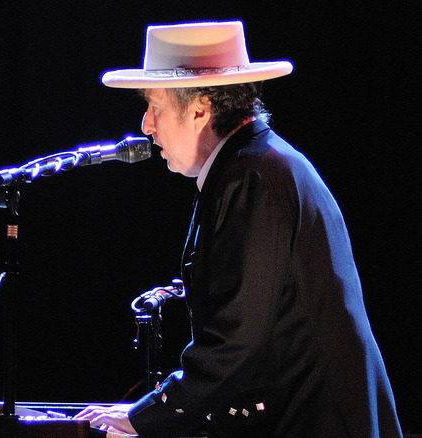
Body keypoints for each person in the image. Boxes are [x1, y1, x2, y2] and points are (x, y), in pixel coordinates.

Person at [75, 21, 402, 437]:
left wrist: (149, 416)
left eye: (154, 107)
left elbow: (237, 340)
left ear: (200, 110)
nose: (145, 125)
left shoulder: (254, 176)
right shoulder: (251, 165)